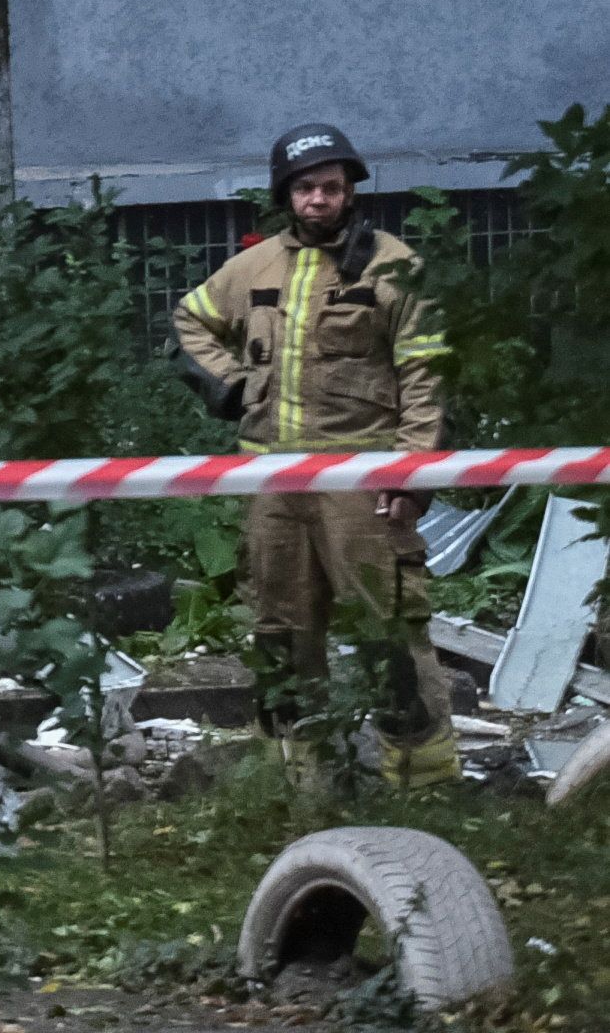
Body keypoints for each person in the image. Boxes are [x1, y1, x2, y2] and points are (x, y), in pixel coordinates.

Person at [176, 122, 455, 787]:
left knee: (388, 628)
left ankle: (424, 785)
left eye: (332, 187)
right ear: (287, 194)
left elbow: (428, 378)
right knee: (280, 633)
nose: (320, 200)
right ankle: (302, 786)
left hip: (363, 484)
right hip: (273, 487)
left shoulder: (394, 266)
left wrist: (414, 476)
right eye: (306, 188)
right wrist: (232, 386)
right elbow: (190, 321)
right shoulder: (255, 267)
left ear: (351, 191)